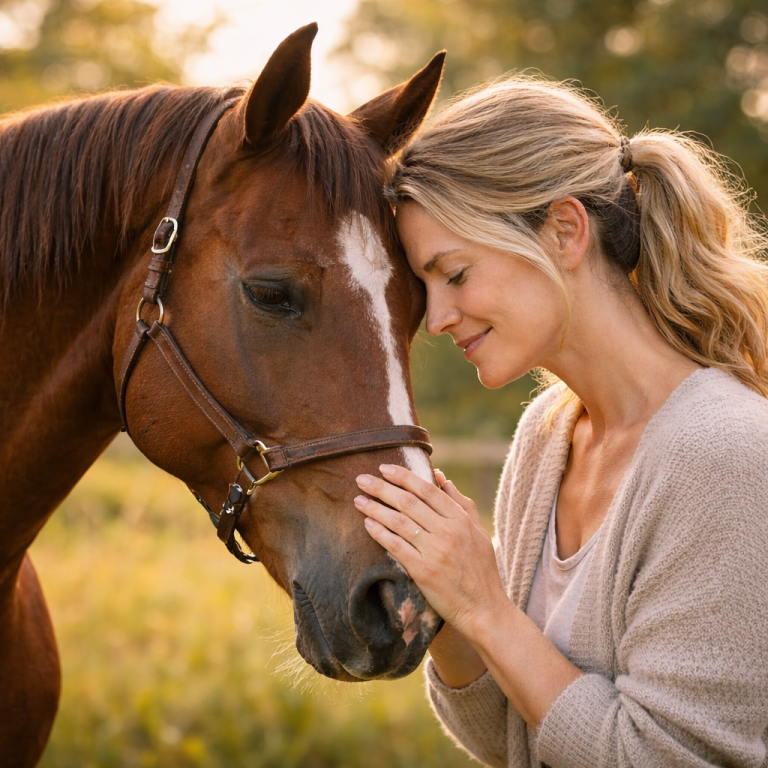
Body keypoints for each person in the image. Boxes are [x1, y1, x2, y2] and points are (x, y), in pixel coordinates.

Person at [353, 75, 768, 767]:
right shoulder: (549, 435)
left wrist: (487, 606)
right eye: (423, 287)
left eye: (453, 274)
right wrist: (449, 606)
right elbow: (515, 741)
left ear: (566, 231)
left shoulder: (729, 454)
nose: (437, 318)